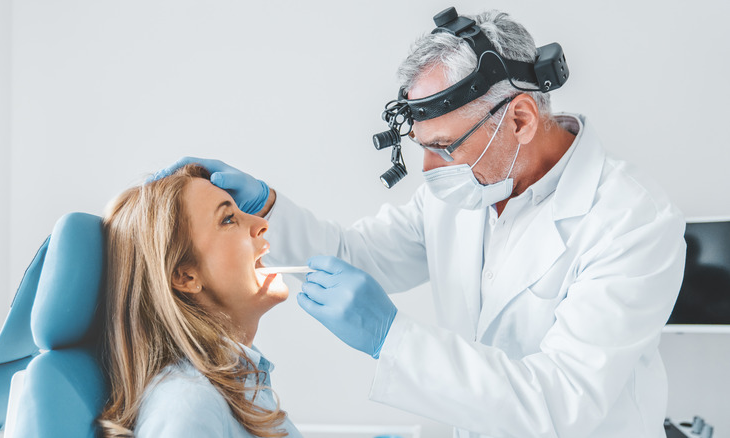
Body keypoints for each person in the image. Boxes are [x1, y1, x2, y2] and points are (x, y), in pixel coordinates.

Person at [155, 9, 686, 438]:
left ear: (520, 120)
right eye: (421, 149)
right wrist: (269, 207)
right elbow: (358, 256)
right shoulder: (467, 187)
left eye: (443, 148)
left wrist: (393, 339)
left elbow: (561, 403)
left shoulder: (631, 221)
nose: (429, 172)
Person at [97, 164, 302, 437]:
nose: (262, 223)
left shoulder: (240, 383)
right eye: (228, 219)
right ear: (185, 276)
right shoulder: (189, 406)